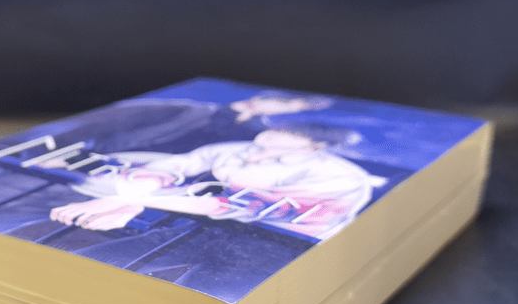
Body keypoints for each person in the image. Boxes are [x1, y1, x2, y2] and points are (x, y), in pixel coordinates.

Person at [49, 97, 385, 241]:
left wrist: (131, 202)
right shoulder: (234, 147)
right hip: (196, 221)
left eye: (293, 133)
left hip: (275, 245)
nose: (275, 132)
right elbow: (167, 168)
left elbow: (245, 205)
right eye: (283, 125)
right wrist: (131, 197)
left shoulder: (341, 177)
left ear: (315, 145)